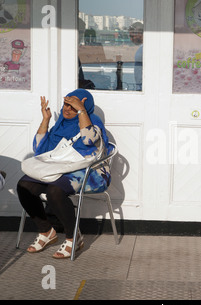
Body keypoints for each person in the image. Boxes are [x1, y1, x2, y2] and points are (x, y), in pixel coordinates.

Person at [17, 89, 111, 259]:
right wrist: (45, 120)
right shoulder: (60, 123)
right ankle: (46, 231)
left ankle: (73, 237)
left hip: (89, 171)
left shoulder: (93, 121)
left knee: (55, 191)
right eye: (66, 104)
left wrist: (81, 110)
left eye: (73, 107)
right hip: (60, 168)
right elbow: (39, 149)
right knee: (24, 186)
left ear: (84, 107)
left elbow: (88, 140)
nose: (67, 109)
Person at [129, 22, 143, 91]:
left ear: (139, 34)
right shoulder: (141, 47)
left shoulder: (147, 48)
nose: (131, 39)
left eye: (132, 36)